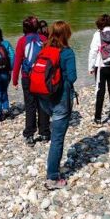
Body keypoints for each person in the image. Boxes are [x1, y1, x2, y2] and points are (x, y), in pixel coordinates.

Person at [37, 21, 78, 190]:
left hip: (43, 97)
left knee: (54, 135)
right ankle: (52, 177)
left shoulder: (44, 49)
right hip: (60, 98)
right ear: (66, 34)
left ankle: (52, 168)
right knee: (57, 139)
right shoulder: (67, 52)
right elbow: (73, 77)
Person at [12, 16, 50, 145]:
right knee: (43, 104)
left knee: (30, 105)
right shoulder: (44, 39)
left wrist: (14, 79)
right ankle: (44, 132)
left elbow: (17, 61)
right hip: (42, 76)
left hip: (27, 77)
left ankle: (29, 134)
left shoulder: (22, 41)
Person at [88, 13, 110, 124]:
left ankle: (98, 118)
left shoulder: (97, 34)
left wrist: (91, 67)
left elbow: (93, 52)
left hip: (100, 66)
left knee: (100, 91)